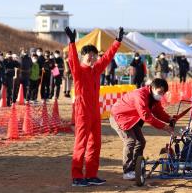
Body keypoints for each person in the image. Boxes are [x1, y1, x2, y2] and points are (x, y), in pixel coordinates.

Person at [65, 26, 124, 187]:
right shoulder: (78, 71)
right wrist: (72, 42)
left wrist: (117, 41)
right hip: (82, 113)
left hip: (95, 113)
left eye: (94, 55)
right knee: (81, 144)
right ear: (83, 57)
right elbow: (72, 60)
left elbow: (107, 57)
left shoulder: (96, 70)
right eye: (88, 55)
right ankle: (77, 176)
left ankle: (91, 175)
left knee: (95, 144)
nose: (92, 58)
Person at [110, 78, 175, 180]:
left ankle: (137, 168)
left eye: (163, 93)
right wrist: (165, 127)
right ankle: (127, 171)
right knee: (130, 141)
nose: (161, 95)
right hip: (119, 116)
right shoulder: (140, 95)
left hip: (132, 118)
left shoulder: (154, 98)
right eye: (160, 92)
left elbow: (158, 112)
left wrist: (169, 118)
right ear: (152, 88)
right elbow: (146, 116)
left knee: (141, 142)